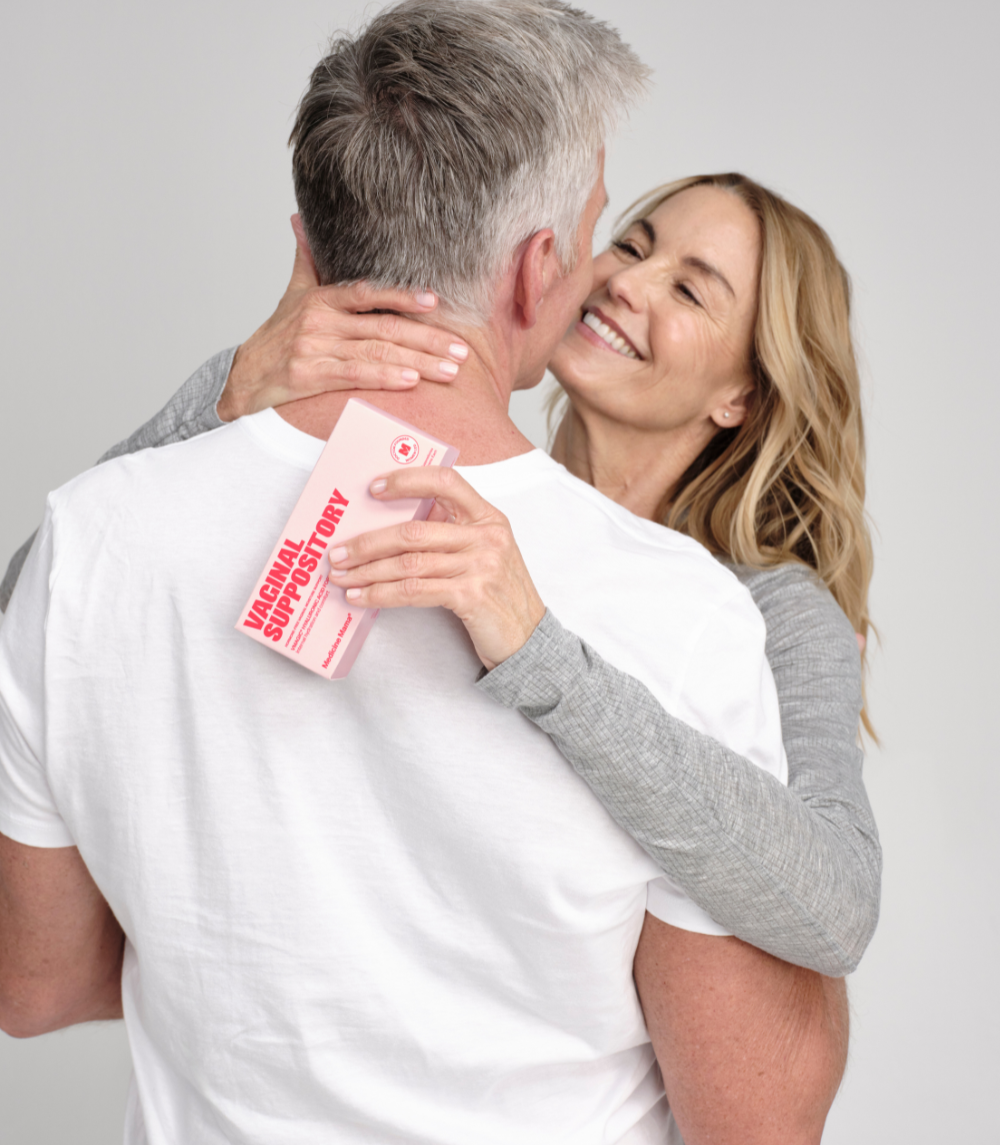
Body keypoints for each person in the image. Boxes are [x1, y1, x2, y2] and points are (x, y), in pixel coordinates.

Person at [0, 0, 848, 1145]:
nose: (619, 277)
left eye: (690, 287)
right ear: (538, 267)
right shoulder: (683, 619)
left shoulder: (93, 540)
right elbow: (756, 1115)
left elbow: (37, 985)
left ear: (309, 236)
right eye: (614, 233)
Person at [2, 177, 881, 982]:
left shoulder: (773, 613)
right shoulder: (420, 490)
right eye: (633, 243)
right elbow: (43, 616)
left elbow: (836, 908)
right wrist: (228, 394)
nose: (627, 283)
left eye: (689, 289)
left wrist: (540, 657)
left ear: (744, 397)